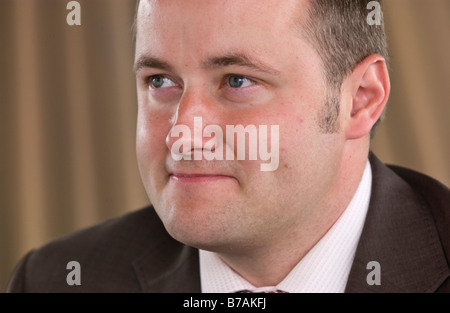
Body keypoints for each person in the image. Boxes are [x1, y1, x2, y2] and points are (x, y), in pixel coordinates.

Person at [7, 0, 450, 293]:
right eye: (160, 81)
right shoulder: (55, 279)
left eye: (238, 80)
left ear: (360, 100)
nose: (185, 134)